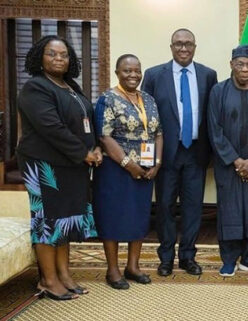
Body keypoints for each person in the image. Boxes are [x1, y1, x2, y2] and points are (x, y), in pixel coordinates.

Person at [17, 35, 101, 300]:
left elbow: (85, 121)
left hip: (71, 164)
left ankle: (64, 275)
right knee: (46, 221)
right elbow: (51, 128)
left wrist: (95, 147)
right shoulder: (35, 88)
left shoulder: (69, 86)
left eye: (64, 55)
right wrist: (84, 153)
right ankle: (48, 280)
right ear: (40, 58)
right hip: (45, 166)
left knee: (64, 221)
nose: (59, 59)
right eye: (52, 54)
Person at [141, 28, 217, 276]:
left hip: (196, 153)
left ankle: (188, 257)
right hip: (166, 156)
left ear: (195, 47)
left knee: (193, 208)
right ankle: (165, 258)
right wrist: (147, 158)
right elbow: (145, 120)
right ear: (171, 46)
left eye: (188, 44)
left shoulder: (208, 75)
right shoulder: (154, 75)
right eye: (178, 44)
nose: (183, 48)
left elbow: (212, 117)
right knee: (164, 207)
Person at [93, 54, 163, 289]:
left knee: (139, 217)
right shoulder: (107, 99)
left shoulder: (149, 100)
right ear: (117, 73)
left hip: (144, 170)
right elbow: (104, 136)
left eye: (137, 70)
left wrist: (157, 163)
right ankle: (112, 270)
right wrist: (128, 165)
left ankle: (133, 266)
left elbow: (158, 133)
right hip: (115, 171)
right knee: (112, 217)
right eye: (127, 71)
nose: (133, 75)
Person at [207, 45, 248, 277]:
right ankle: (228, 259)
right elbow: (214, 130)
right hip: (228, 165)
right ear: (232, 64)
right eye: (240, 64)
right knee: (230, 211)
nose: (245, 69)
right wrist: (236, 161)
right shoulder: (218, 91)